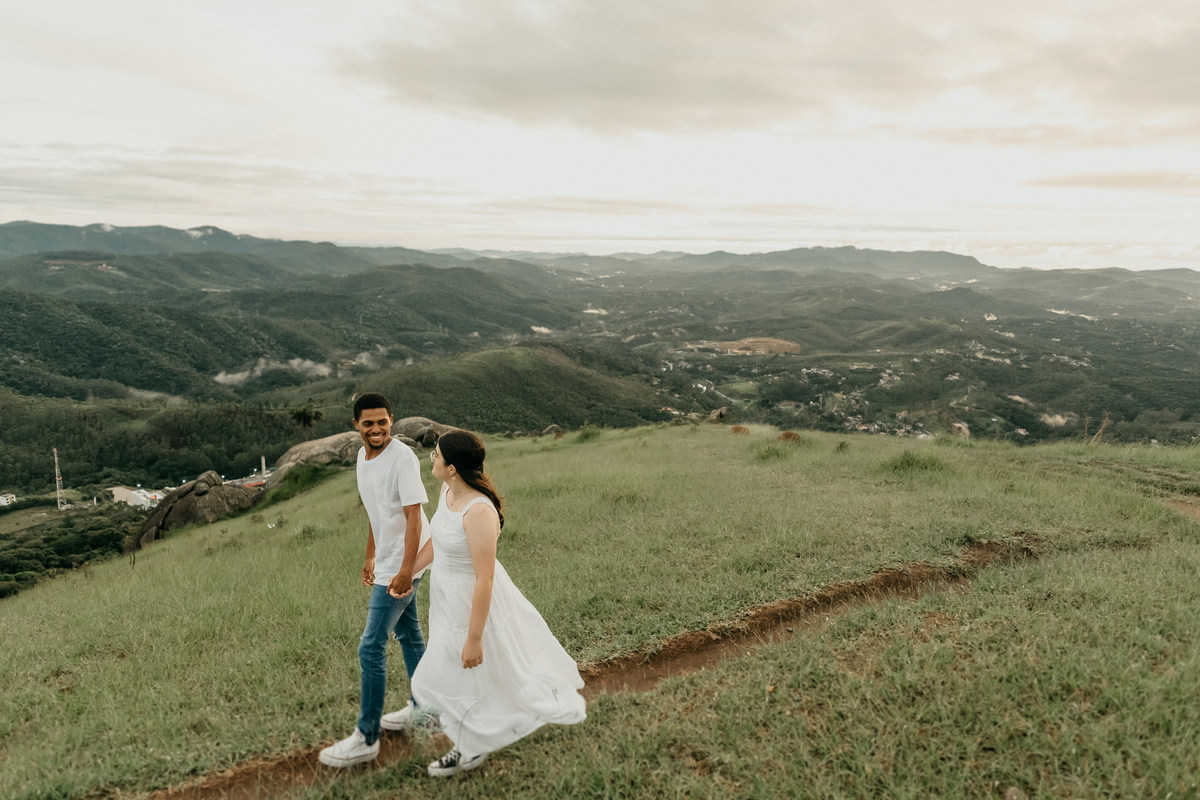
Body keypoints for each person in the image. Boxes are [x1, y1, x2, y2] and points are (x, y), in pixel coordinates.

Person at [404, 429, 586, 778]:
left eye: (437, 456)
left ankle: (472, 746)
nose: (433, 460)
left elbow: (484, 578)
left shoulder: (478, 511)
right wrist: (410, 572)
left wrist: (474, 638)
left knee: (449, 673)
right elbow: (438, 542)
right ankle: (475, 733)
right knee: (464, 672)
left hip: (473, 599)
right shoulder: (447, 490)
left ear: (453, 467)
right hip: (445, 595)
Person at [318, 392, 435, 768]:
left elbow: (414, 518)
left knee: (370, 648)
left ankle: (366, 737)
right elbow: (375, 511)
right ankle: (425, 709)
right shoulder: (361, 457)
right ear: (356, 425)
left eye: (382, 422)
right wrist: (370, 554)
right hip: (387, 559)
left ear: (391, 420)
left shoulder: (402, 458)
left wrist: (405, 570)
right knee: (410, 635)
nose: (377, 429)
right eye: (368, 423)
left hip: (406, 561)